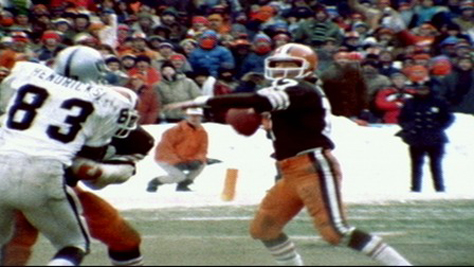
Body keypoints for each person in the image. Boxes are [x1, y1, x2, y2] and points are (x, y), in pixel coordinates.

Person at [165, 43, 412, 266]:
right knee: (264, 229)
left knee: (336, 231)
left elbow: (258, 99)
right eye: (278, 65)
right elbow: (263, 107)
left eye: (289, 64)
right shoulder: (291, 92)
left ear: (307, 68)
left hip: (314, 166)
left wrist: (205, 101)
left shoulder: (301, 88)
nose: (283, 70)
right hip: (290, 170)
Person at [0, 45, 139, 265]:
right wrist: (109, 169)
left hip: (4, 163)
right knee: (73, 245)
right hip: (46, 172)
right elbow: (90, 161)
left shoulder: (25, 72)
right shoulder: (108, 103)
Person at [1, 125, 154, 266]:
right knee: (18, 239)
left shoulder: (132, 137)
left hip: (60, 186)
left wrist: (100, 172)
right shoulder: (45, 118)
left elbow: (104, 179)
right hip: (17, 181)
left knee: (122, 236)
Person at [396, 80, 454, 193]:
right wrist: (409, 128)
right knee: (416, 164)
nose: (422, 91)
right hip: (416, 137)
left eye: (424, 89)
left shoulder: (439, 102)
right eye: (419, 89)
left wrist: (438, 127)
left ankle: (439, 188)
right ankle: (415, 188)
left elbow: (448, 117)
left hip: (435, 137)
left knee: (436, 164)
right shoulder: (410, 102)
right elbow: (402, 118)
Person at [147, 107, 208, 193]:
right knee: (179, 177)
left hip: (185, 160)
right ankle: (155, 182)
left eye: (197, 116)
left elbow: (202, 150)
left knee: (202, 164)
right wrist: (175, 162)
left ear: (201, 117)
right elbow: (164, 149)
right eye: (191, 116)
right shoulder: (174, 130)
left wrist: (197, 160)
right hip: (165, 159)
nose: (194, 119)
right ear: (186, 117)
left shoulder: (202, 132)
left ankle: (183, 185)